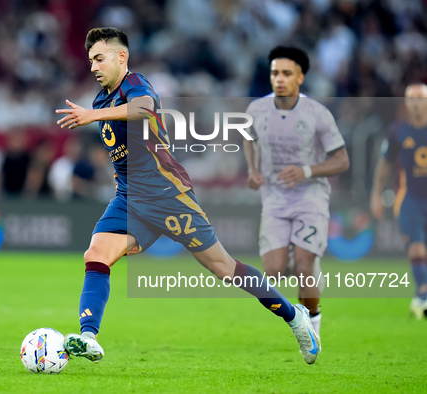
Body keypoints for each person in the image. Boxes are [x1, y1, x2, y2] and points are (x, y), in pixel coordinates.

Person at [56, 27, 321, 365]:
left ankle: (294, 316)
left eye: (99, 58)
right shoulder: (100, 100)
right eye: (90, 60)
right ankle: (89, 336)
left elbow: (143, 109)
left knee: (225, 269)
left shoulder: (135, 84)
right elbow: (124, 145)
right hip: (130, 198)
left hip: (168, 195)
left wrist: (93, 116)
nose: (93, 66)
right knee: (96, 254)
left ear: (121, 57)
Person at [243, 46, 350, 337]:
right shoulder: (257, 109)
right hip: (275, 199)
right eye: (275, 73)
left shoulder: (317, 113)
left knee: (304, 265)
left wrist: (306, 171)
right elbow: (248, 139)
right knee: (273, 271)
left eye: (286, 73)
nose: (279, 79)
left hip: (310, 197)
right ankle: (310, 272)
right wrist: (252, 169)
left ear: (300, 77)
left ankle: (311, 327)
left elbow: (342, 160)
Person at [370, 83, 427, 319]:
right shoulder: (397, 131)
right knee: (415, 248)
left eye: (420, 98)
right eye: (411, 99)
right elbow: (385, 164)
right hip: (409, 198)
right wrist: (376, 194)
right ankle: (423, 295)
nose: (415, 103)